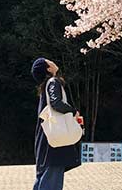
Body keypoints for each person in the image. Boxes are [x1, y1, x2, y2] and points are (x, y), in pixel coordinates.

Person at [31, 57, 83, 190]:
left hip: (45, 138)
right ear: (48, 68)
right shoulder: (53, 82)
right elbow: (56, 103)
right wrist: (72, 111)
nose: (53, 61)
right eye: (49, 61)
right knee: (51, 179)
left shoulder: (44, 87)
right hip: (54, 141)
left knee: (43, 178)